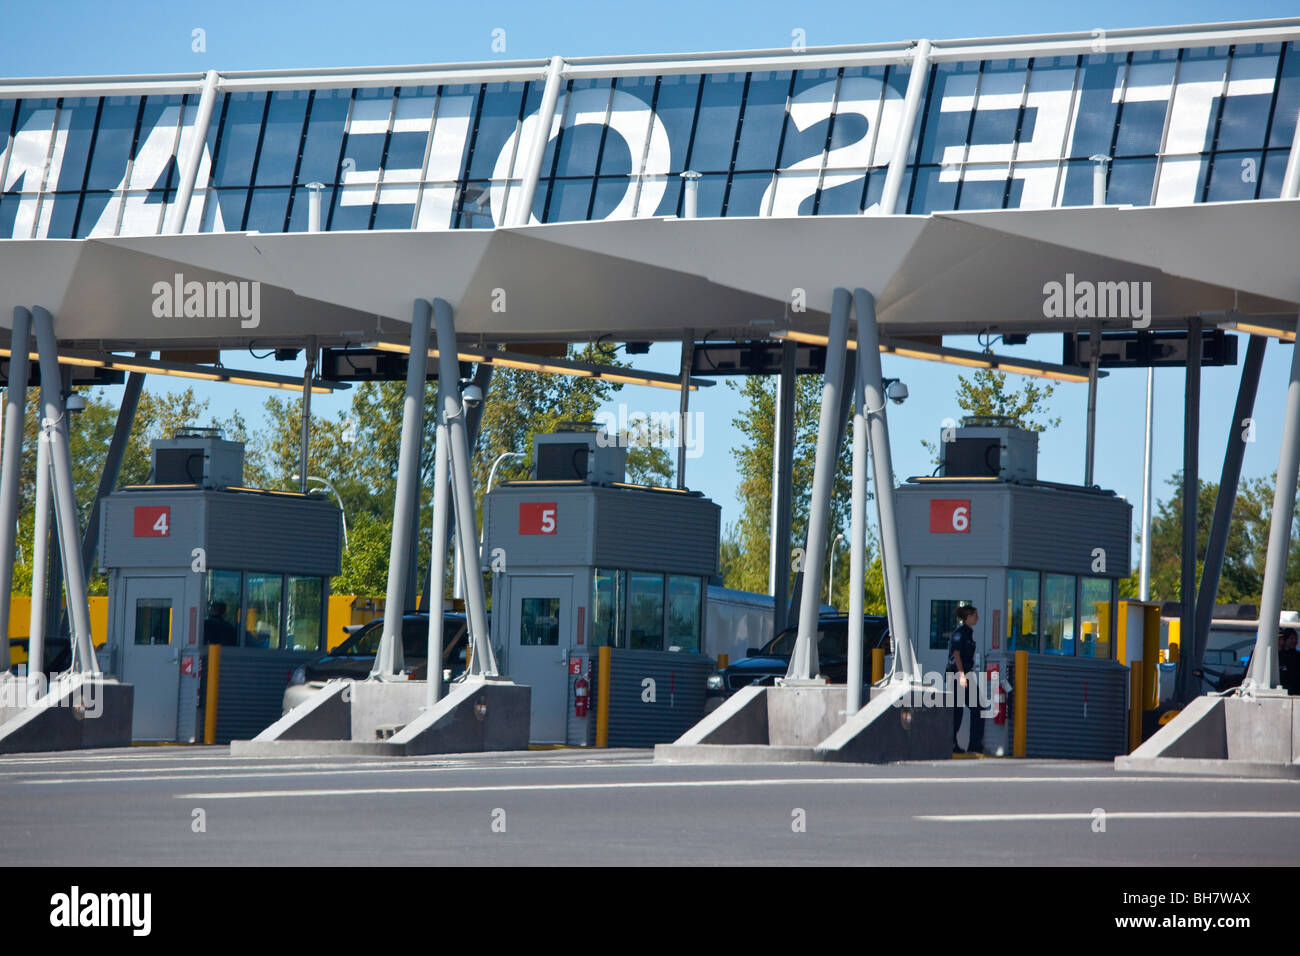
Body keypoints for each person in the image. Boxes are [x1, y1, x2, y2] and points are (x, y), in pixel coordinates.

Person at [947, 604, 984, 754]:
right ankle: (951, 743)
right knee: (957, 711)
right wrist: (962, 675)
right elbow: (956, 655)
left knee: (978, 708)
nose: (978, 618)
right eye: (975, 615)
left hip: (966, 674)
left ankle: (975, 744)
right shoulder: (959, 633)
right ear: (968, 617)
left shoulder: (968, 633)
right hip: (958, 675)